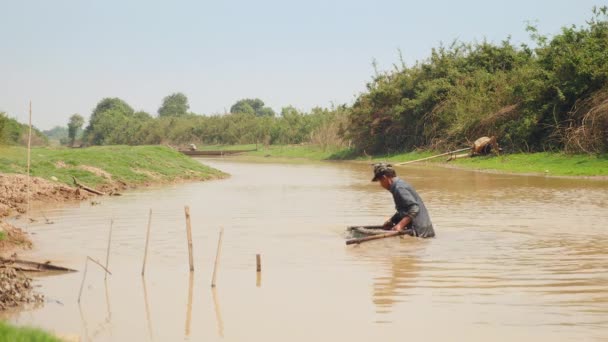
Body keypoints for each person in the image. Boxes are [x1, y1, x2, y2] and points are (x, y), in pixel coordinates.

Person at [372, 163, 435, 238]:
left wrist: (400, 225)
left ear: (385, 178)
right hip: (424, 230)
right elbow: (404, 210)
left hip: (420, 232)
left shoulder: (399, 188)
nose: (381, 185)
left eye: (380, 181)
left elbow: (414, 208)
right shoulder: (399, 185)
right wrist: (391, 221)